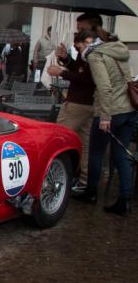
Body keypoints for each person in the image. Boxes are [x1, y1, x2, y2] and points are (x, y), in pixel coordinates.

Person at [73, 24, 137, 217]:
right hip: (130, 110)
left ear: (87, 42)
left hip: (111, 111)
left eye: (79, 48)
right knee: (121, 155)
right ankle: (124, 201)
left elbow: (104, 87)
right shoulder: (119, 49)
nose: (80, 53)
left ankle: (91, 193)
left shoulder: (95, 55)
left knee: (96, 154)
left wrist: (105, 116)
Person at [47, 31, 95, 193]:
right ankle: (84, 180)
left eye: (79, 46)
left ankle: (53, 175)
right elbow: (80, 70)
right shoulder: (89, 54)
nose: (79, 48)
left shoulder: (92, 54)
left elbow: (87, 78)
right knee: (84, 142)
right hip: (89, 104)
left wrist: (61, 72)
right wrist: (66, 59)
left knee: (59, 137)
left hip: (77, 104)